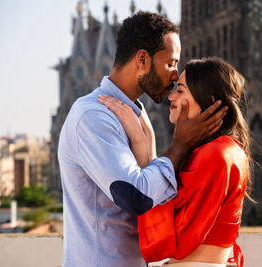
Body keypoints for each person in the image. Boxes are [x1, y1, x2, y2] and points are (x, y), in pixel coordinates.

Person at [58, 12, 227, 267]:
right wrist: (180, 145)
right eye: (171, 63)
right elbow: (135, 195)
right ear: (142, 59)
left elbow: (157, 199)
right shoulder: (93, 116)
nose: (175, 75)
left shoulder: (135, 116)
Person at [99, 57, 252, 267]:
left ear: (208, 98)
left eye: (180, 90)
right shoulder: (220, 149)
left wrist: (138, 139)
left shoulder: (217, 153)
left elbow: (177, 234)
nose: (171, 96)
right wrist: (148, 142)